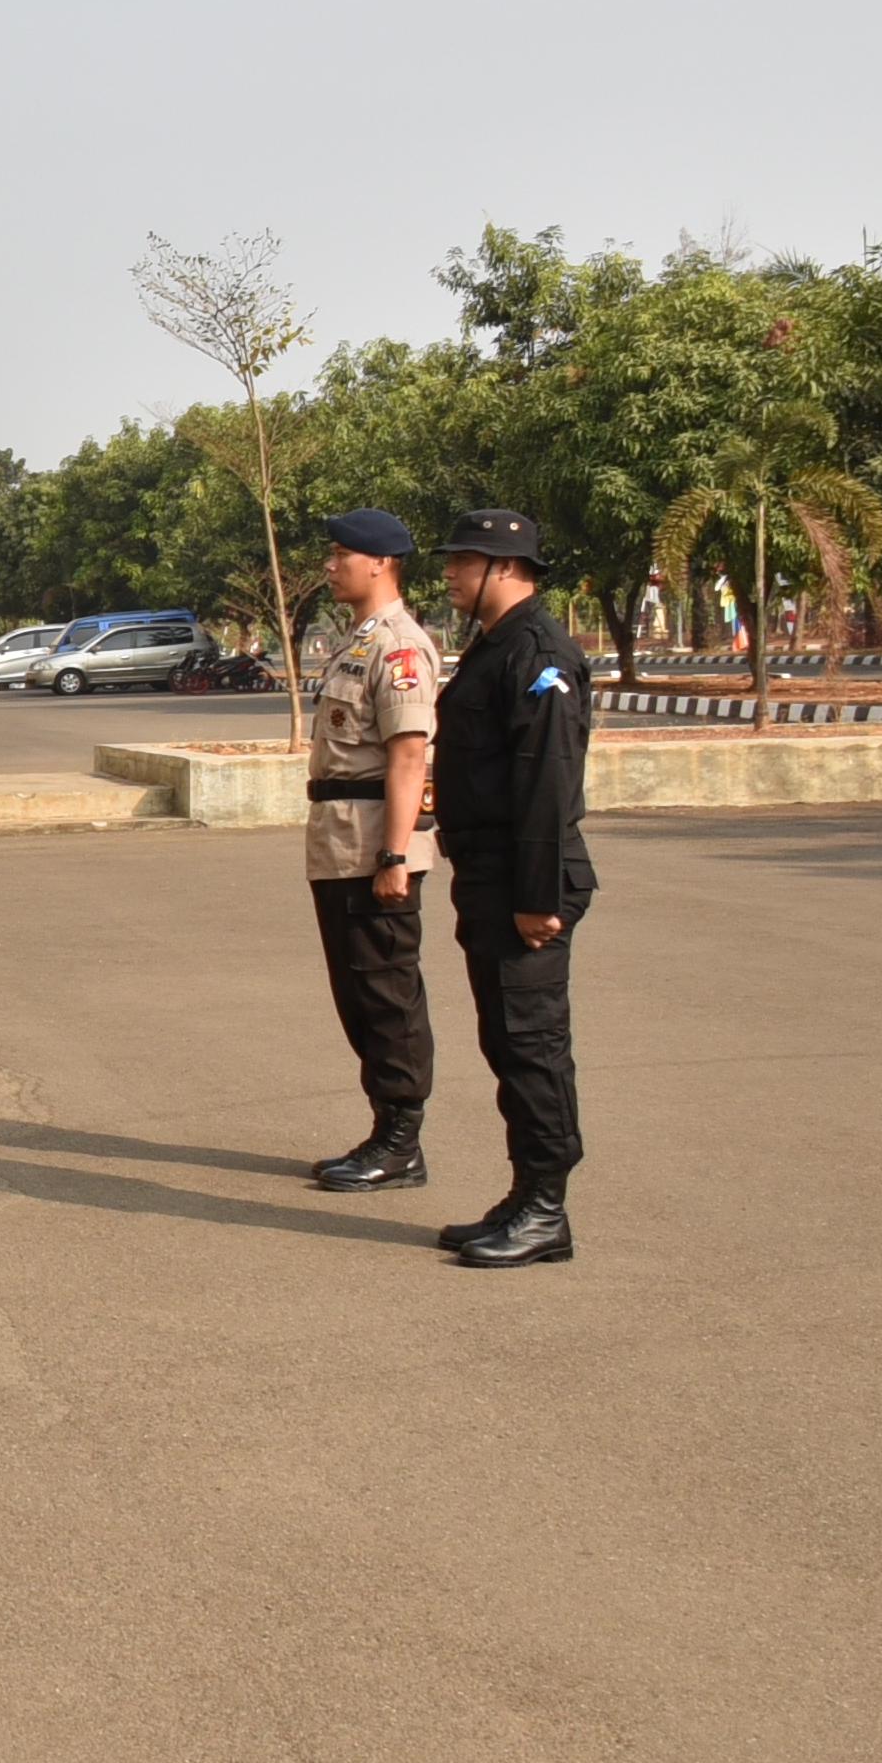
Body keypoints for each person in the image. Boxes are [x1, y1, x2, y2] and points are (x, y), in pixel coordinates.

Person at [431, 508, 597, 1267]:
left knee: (533, 1045)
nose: (450, 576)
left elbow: (547, 783)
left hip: (523, 881)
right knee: (506, 1040)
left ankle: (546, 1208)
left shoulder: (537, 652)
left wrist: (538, 898)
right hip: (489, 875)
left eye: (461, 563)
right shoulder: (492, 648)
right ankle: (525, 1191)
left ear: (502, 566)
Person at [303, 511, 445, 1193]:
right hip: (340, 835)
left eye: (340, 554)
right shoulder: (356, 641)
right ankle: (385, 1125)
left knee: (387, 991)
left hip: (373, 844)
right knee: (357, 988)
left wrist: (394, 856)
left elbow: (410, 754)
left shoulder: (398, 647)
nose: (330, 566)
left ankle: (401, 1140)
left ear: (381, 563)